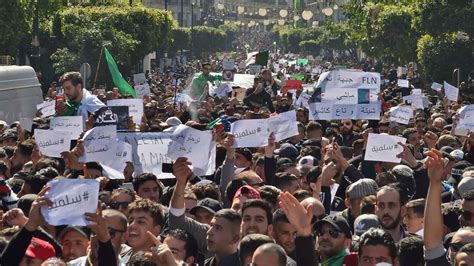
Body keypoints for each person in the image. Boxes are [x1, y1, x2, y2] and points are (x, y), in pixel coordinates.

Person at [121, 198, 164, 264]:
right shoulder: (117, 257)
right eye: (130, 221)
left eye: (140, 222)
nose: (132, 225)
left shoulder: (163, 263)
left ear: (156, 230)